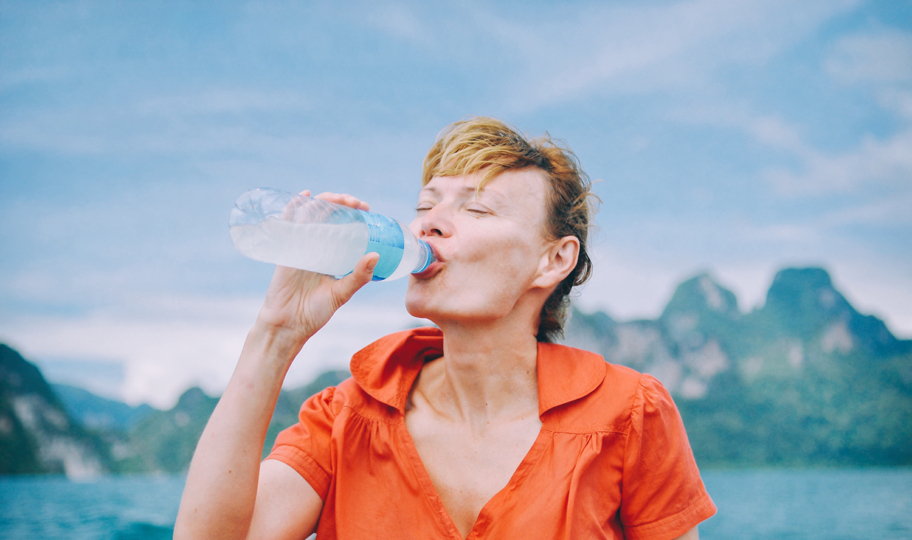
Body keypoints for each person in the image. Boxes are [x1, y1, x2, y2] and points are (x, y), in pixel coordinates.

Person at [174, 117, 716, 540]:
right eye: (425, 204)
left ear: (553, 261)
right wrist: (277, 333)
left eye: (477, 209)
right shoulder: (346, 420)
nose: (427, 222)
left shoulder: (630, 415)